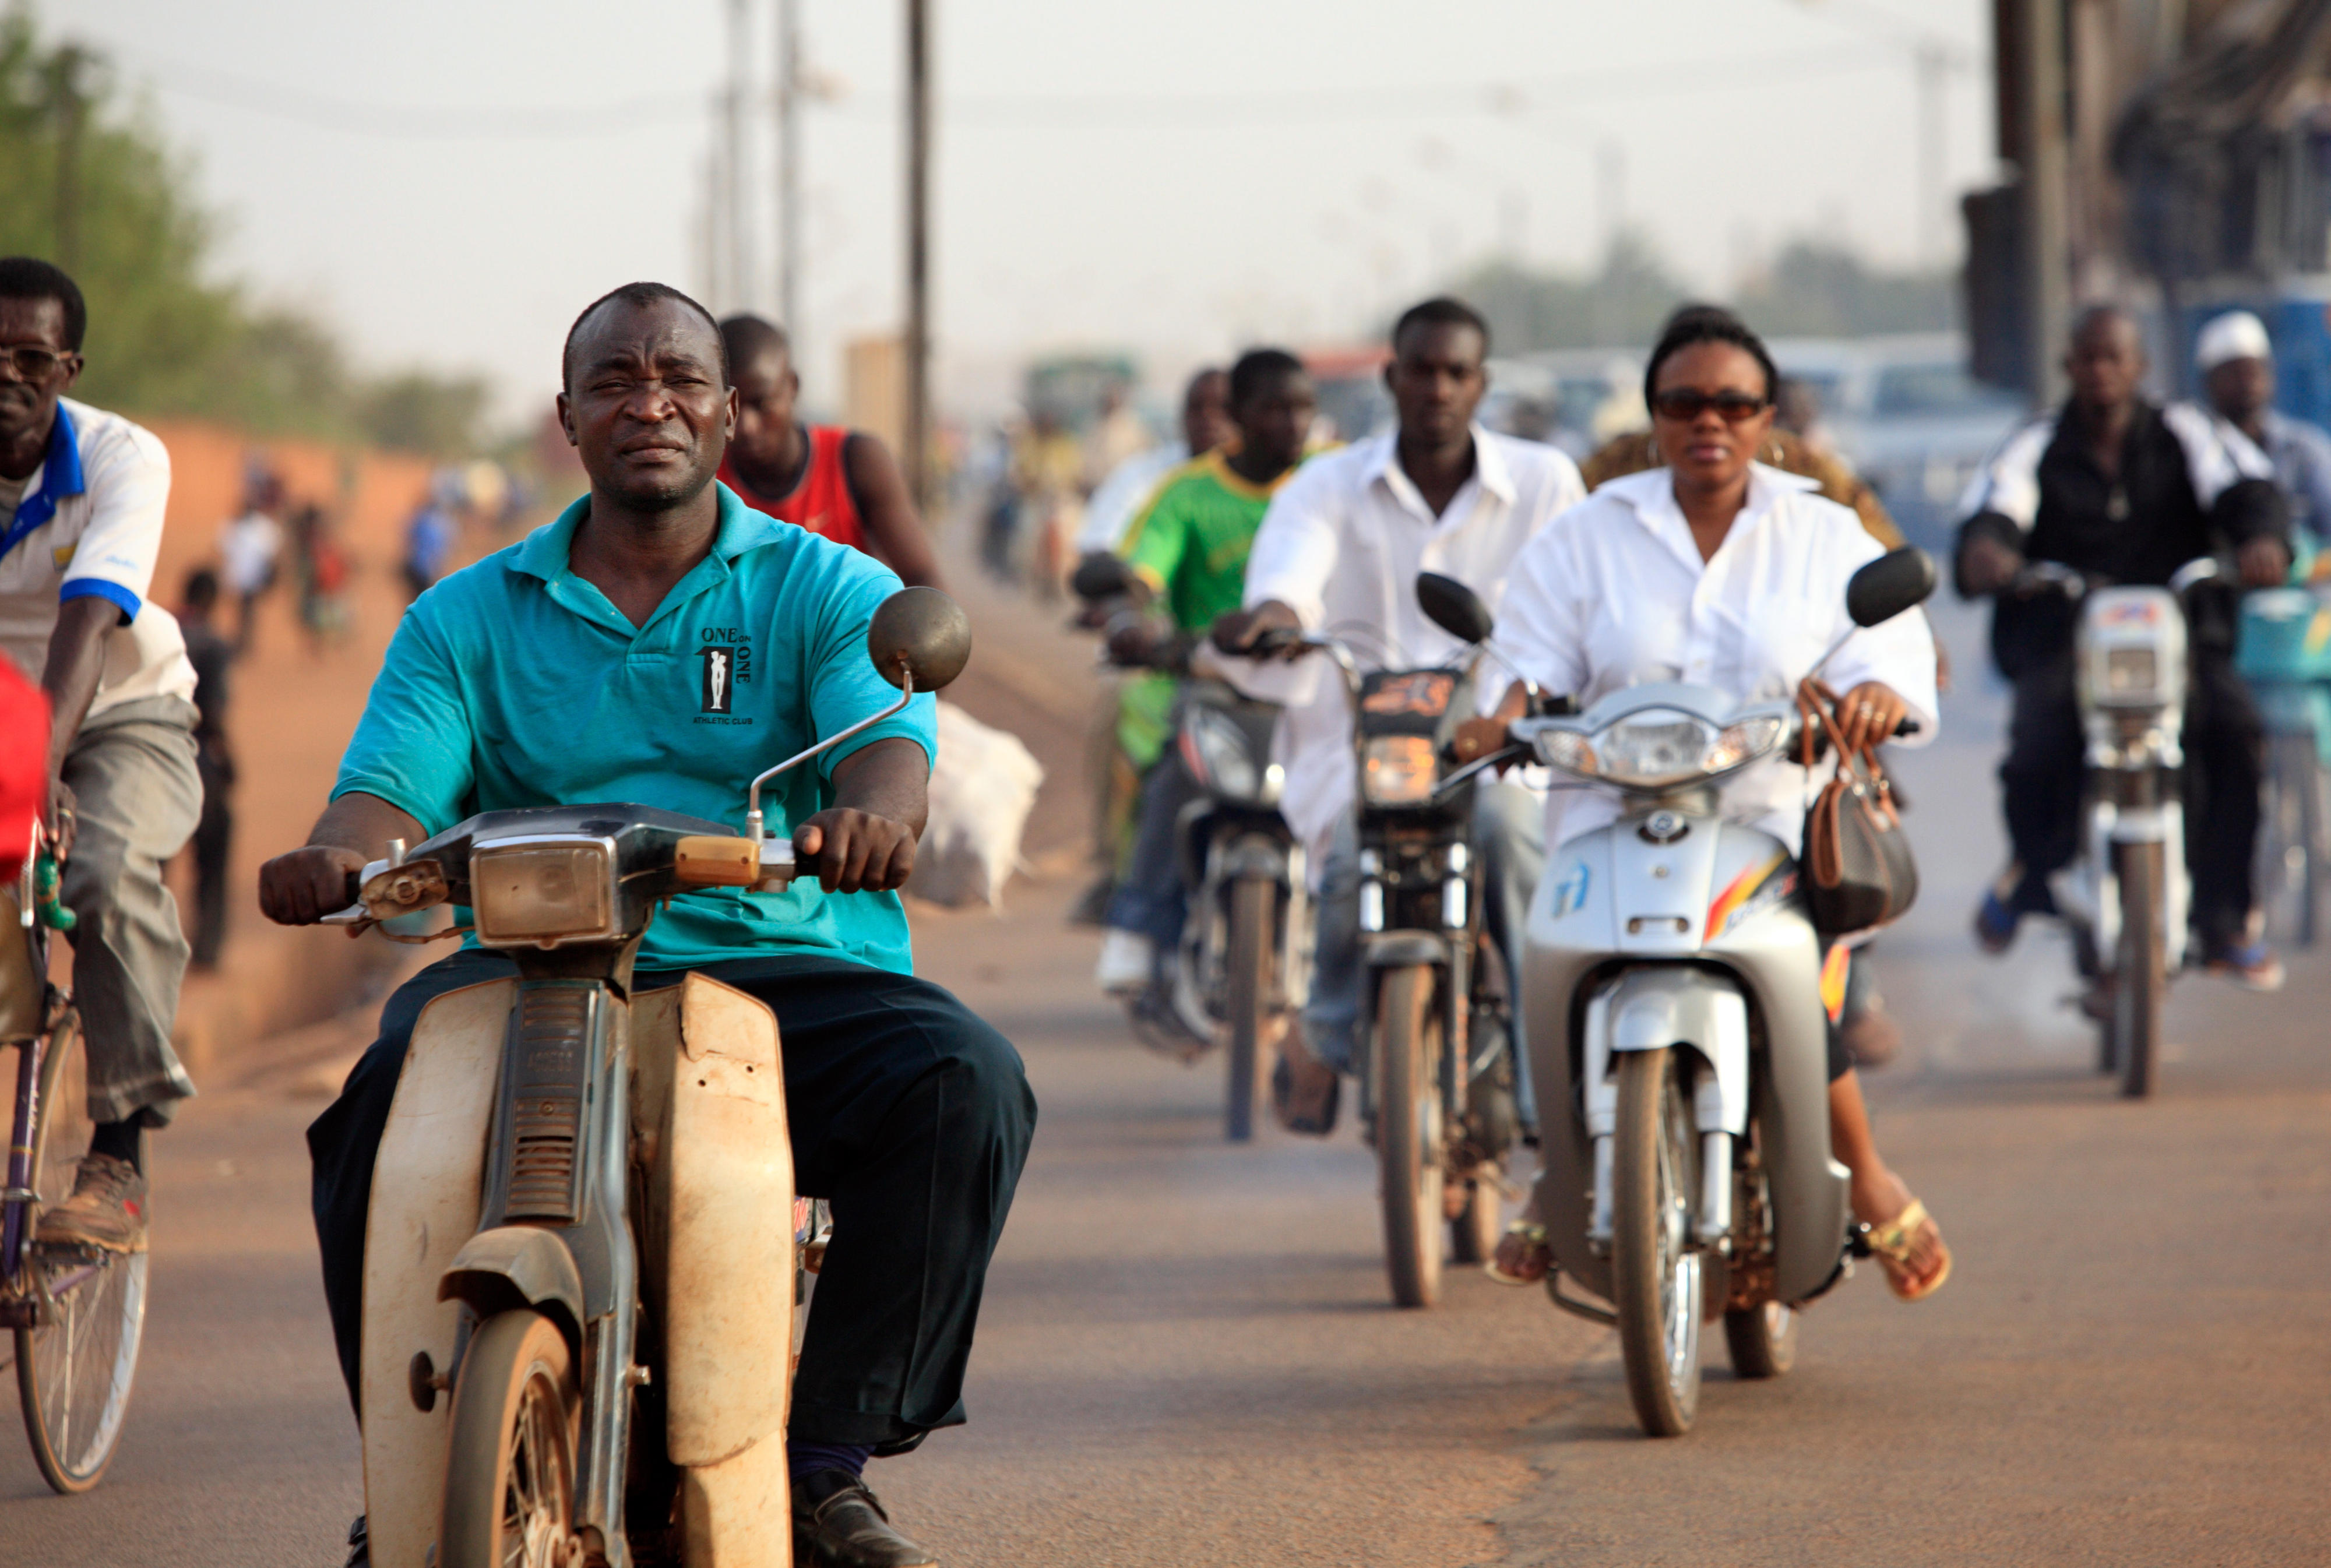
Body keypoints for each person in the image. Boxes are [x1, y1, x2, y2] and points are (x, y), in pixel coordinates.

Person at [261, 283, 1033, 1568]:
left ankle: (824, 1467)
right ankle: (410, 1472)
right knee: (373, 1121)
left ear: (732, 413)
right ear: (568, 418)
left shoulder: (823, 583)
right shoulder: (465, 613)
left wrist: (871, 816)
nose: (649, 400)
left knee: (966, 1083)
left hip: (779, 957)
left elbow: (888, 746)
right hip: (530, 964)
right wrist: (336, 859)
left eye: (678, 375)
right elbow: (385, 794)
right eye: (614, 380)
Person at [1467, 304, 1951, 1301]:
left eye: (1733, 403)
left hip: (1769, 819)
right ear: (1653, 416)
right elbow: (1523, 653)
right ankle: (1559, 1172)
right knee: (1552, 973)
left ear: (1768, 415)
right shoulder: (1587, 536)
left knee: (1803, 999)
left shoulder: (1822, 531)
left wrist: (1877, 694)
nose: (1709, 423)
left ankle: (1863, 1175)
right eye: (1685, 402)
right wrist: (1499, 714)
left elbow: (1889, 643)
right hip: (1606, 814)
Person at [1212, 297, 1585, 1132]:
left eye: (1458, 371)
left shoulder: (1544, 481)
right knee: (1348, 849)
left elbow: (1574, 605)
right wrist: (1272, 615)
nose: (1439, 387)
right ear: (1392, 377)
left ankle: (1542, 1088)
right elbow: (1289, 573)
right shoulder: (1326, 485)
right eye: (1422, 368)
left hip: (1500, 745)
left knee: (1511, 842)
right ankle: (1328, 1027)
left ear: (1481, 383)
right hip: (1359, 748)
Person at [1957, 304, 2290, 989]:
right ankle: (2036, 875)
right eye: (2088, 358)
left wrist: (2261, 540)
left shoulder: (2190, 433)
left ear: (2140, 367)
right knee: (2033, 749)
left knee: (2235, 736)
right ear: (2068, 366)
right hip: (2066, 642)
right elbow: (1993, 508)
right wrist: (1989, 552)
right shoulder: (2034, 443)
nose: (2101, 371)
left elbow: (2249, 490)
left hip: (2180, 638)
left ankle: (2225, 919)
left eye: (2115, 358)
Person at [0, 257, 203, 1251]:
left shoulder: (127, 459)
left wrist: (40, 758)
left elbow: (91, 619)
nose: (7, 376)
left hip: (122, 706)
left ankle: (119, 1153)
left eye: (30, 357)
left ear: (67, 367)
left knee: (108, 866)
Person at [1090, 350, 1318, 1030]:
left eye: (1301, 407)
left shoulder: (1326, 482)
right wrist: (1133, 617)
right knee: (1173, 777)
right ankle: (1137, 924)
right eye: (1274, 408)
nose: (1292, 422)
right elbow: (1145, 570)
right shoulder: (1187, 493)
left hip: (1314, 693)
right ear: (1239, 417)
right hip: (1214, 684)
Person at [1070, 367, 1235, 924]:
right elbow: (1100, 550)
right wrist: (1118, 611)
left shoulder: (1289, 486)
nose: (1210, 422)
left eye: (1223, 409)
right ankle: (1115, 868)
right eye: (1198, 409)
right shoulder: (1150, 478)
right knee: (1112, 719)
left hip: (1252, 665)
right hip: (1159, 658)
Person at [719, 313, 947, 591]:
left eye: (762, 403)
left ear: (792, 387)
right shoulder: (703, 478)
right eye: (730, 407)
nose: (747, 427)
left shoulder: (856, 461)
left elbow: (924, 581)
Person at [2191, 308, 2331, 550]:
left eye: (2254, 371)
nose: (2248, 383)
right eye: (2234, 373)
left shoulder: (2305, 448)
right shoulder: (2191, 449)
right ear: (2209, 382)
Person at [1075, 366, 1234, 559]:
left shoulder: (1269, 487)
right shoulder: (1141, 475)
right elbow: (1100, 544)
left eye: (1221, 407)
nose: (1208, 417)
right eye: (1197, 407)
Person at [177, 568, 235, 971]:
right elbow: (212, 713)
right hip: (198, 765)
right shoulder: (214, 644)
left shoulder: (159, 630)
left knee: (152, 869)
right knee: (212, 860)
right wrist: (229, 759)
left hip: (151, 761)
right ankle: (207, 950)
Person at [217, 474, 284, 652]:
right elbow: (223, 551)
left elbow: (273, 556)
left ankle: (245, 642)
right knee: (243, 610)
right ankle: (243, 640)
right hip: (239, 577)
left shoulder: (261, 527)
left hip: (252, 578)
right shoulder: (236, 526)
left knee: (247, 610)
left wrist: (271, 578)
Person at [400, 490, 457, 601]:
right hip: (424, 567)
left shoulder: (421, 519)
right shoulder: (442, 522)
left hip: (419, 566)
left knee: (417, 599)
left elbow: (410, 537)